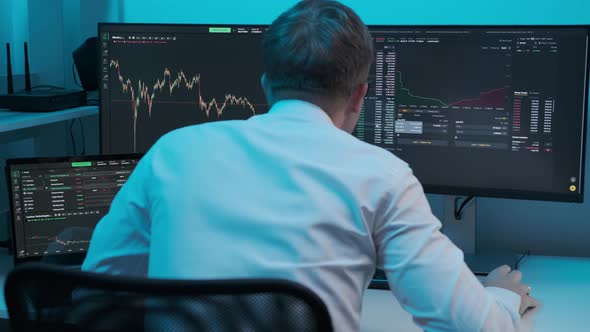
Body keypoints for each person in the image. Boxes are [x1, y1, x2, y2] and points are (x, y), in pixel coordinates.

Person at [82, 0, 538, 330]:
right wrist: (499, 296)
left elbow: (94, 294)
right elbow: (472, 326)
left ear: (265, 84)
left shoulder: (171, 152)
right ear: (360, 94)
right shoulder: (381, 176)